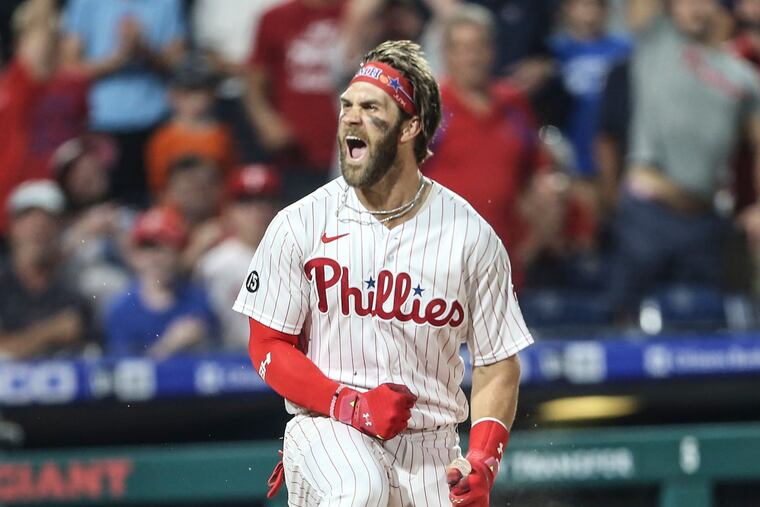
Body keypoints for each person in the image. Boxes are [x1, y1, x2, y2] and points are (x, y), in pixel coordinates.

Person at [233, 41, 530, 506]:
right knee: (360, 491)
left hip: (432, 448)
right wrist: (345, 402)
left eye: (371, 107)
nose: (350, 118)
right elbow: (266, 344)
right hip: (329, 430)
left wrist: (482, 459)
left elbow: (497, 361)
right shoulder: (300, 223)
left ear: (410, 126)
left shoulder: (471, 236)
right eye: (346, 106)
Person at [422, 4, 593, 286]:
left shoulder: (513, 103)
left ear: (492, 51)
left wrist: (549, 193)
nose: (472, 58)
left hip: (507, 268)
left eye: (479, 47)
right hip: (442, 270)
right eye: (462, 48)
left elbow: (539, 168)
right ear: (446, 54)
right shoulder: (429, 108)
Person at [612, 0, 760, 316]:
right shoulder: (656, 40)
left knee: (704, 327)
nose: (695, 7)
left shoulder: (743, 75)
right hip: (647, 212)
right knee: (624, 321)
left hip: (706, 219)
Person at [61, 0, 186, 205]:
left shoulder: (167, 4)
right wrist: (118, 59)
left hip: (155, 124)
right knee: (105, 204)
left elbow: (178, 64)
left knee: (155, 203)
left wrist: (143, 50)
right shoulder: (85, 3)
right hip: (100, 124)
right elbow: (69, 68)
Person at [245, 0, 347, 202]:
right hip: (297, 154)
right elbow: (254, 82)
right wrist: (266, 121)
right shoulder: (275, 18)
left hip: (350, 150)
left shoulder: (357, 17)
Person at [105, 207, 218, 358]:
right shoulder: (121, 309)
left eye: (164, 247)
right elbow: (124, 374)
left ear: (178, 252)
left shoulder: (198, 300)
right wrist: (168, 346)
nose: (155, 257)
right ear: (135, 255)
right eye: (147, 247)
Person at [0, 180, 93, 359]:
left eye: (47, 221)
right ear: (12, 228)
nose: (38, 228)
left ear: (59, 229)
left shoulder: (74, 290)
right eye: (28, 219)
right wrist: (52, 331)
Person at [196, 164, 280, 349]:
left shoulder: (297, 257)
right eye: (246, 201)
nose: (256, 211)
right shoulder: (213, 264)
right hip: (228, 361)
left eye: (264, 200)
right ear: (229, 210)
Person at [550, 0, 631, 178]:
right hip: (570, 149)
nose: (590, 13)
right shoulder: (555, 51)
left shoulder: (624, 49)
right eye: (583, 5)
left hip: (615, 151)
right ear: (568, 8)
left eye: (597, 5)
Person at [145, 54, 238, 197]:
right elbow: (158, 186)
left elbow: (229, 178)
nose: (195, 99)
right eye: (187, 92)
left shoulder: (223, 134)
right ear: (172, 96)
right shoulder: (162, 138)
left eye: (201, 91)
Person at [162, 155, 225, 271]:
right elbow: (161, 273)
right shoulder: (157, 226)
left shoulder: (231, 224)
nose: (198, 192)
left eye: (206, 184)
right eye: (190, 184)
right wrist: (198, 248)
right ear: (171, 190)